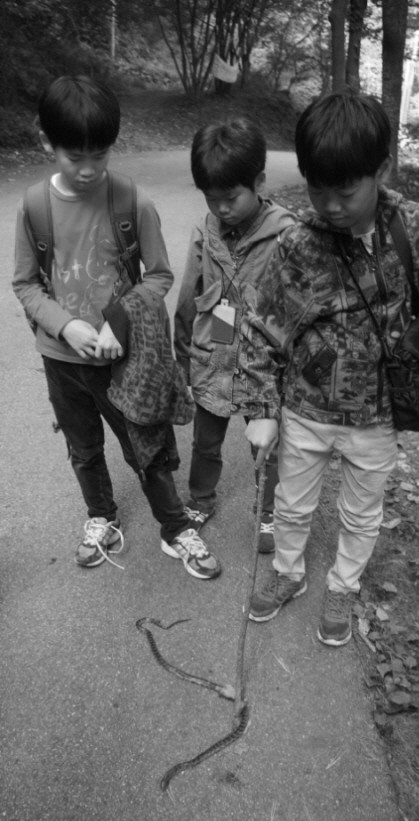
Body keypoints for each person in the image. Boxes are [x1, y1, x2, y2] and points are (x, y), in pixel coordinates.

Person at [240, 91, 419, 643]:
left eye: (345, 191)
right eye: (317, 189)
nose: (330, 206)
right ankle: (288, 573)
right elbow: (262, 327)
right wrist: (260, 409)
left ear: (381, 170)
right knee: (290, 506)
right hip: (305, 410)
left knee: (361, 513)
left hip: (378, 415)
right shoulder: (299, 245)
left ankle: (343, 585)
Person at [12, 75, 221, 579]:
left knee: (145, 446)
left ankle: (175, 528)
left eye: (99, 156)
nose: (88, 169)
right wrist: (65, 326)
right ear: (46, 142)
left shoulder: (130, 201)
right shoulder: (34, 206)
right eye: (74, 156)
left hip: (123, 362)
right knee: (83, 449)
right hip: (61, 360)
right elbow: (25, 284)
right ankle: (102, 517)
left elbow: (160, 275)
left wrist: (120, 322)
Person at [174, 118, 295, 553]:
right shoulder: (205, 233)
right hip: (213, 359)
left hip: (262, 369)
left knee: (267, 445)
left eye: (231, 197)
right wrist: (183, 354)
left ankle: (270, 511)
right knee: (205, 441)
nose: (221, 208)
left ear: (258, 182)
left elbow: (298, 309)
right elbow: (188, 297)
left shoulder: (286, 234)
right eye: (211, 198)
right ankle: (200, 498)